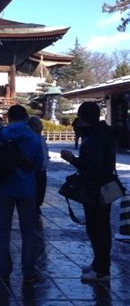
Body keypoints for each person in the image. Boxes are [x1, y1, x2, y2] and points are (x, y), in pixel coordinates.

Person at [0, 104, 43, 283]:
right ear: (25, 117)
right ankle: (29, 270)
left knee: (2, 230)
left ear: (9, 117)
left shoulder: (0, 135)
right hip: (26, 187)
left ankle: (4, 271)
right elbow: (40, 164)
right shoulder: (33, 137)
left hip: (4, 187)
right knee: (28, 230)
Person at [61, 101, 116, 281]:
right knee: (100, 227)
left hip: (96, 187)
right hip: (106, 185)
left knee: (97, 228)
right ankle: (99, 263)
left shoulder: (95, 138)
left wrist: (72, 159)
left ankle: (102, 269)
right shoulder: (102, 132)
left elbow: (92, 166)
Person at [28, 116, 49, 212]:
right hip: (34, 169)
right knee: (36, 190)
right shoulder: (31, 138)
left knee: (41, 189)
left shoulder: (41, 137)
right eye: (39, 124)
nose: (41, 126)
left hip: (42, 168)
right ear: (33, 126)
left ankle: (37, 205)